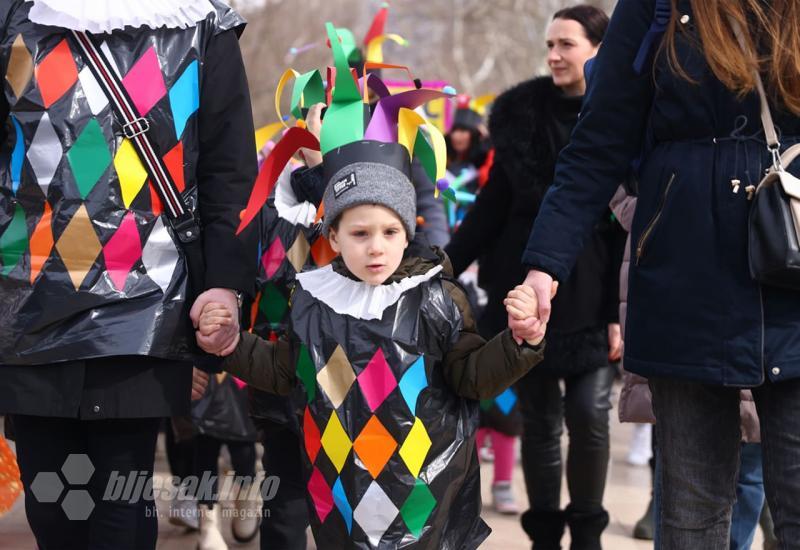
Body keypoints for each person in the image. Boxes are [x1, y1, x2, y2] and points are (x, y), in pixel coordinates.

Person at [195, 21, 547, 548]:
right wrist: (231, 347)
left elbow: (470, 374)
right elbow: (284, 366)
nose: (376, 246)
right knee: (290, 496)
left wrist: (520, 342)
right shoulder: (309, 290)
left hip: (420, 489)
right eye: (360, 234)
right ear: (333, 236)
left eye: (389, 233)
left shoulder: (435, 299)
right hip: (333, 472)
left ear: (407, 233)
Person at [512, 0, 800, 548]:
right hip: (683, 278)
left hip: (793, 271)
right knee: (690, 521)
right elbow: (596, 147)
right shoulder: (657, 7)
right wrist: (543, 270)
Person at [0, 1, 257, 548]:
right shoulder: (11, 14)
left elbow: (227, 169)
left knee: (121, 500)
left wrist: (226, 284)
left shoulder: (202, 21)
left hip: (147, 299)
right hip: (25, 294)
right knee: (51, 508)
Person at [446, 6, 625, 548]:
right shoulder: (521, 115)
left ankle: (588, 533)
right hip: (528, 290)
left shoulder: (626, 110)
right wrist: (440, 268)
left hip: (598, 290)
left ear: (598, 49)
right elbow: (490, 206)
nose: (553, 55)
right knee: (542, 423)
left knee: (591, 415)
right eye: (549, 44)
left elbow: (636, 222)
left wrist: (623, 310)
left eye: (566, 44)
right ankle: (545, 534)